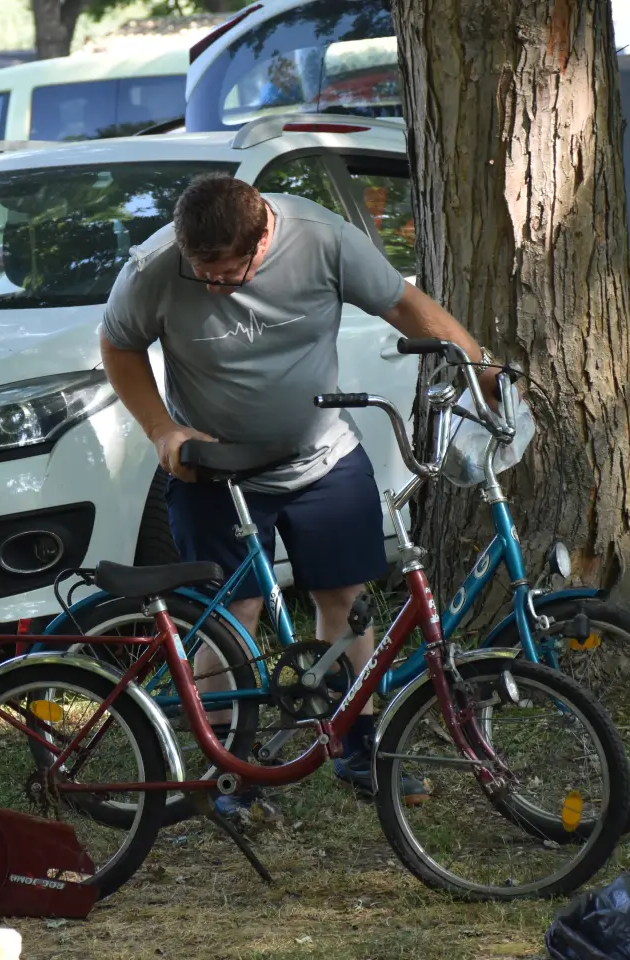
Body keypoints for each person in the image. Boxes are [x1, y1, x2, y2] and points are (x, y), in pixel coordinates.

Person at [99, 173, 498, 818]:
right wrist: (162, 429)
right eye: (206, 273)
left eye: (232, 271)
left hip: (321, 458)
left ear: (265, 238)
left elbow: (404, 303)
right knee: (234, 615)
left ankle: (358, 744)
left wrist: (479, 369)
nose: (219, 285)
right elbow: (119, 346)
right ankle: (233, 763)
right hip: (214, 472)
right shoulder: (155, 267)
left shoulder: (323, 241)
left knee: (344, 599)